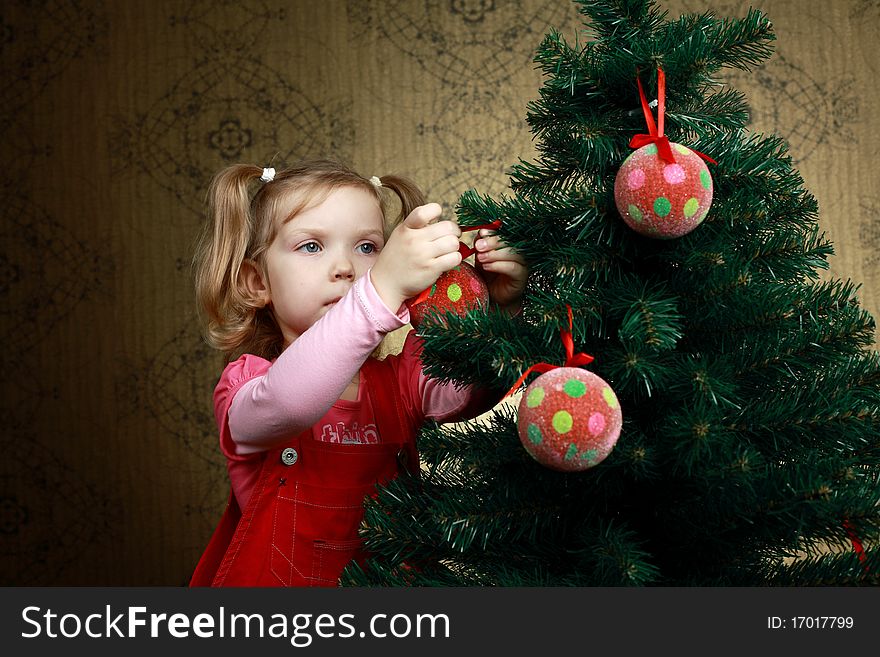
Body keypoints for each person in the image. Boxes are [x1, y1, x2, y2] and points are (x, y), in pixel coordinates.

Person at [189, 159, 527, 586]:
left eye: (367, 248)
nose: (346, 268)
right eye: (312, 246)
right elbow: (292, 401)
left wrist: (498, 310)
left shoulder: (398, 382)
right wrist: (380, 290)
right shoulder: (245, 387)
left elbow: (468, 386)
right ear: (257, 282)